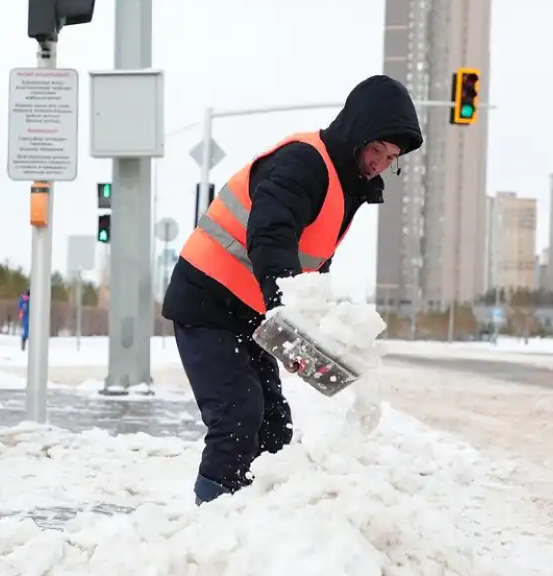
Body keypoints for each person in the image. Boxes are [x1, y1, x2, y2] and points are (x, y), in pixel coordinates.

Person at [162, 75, 423, 504]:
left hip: (248, 313)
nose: (380, 163)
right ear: (356, 132)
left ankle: (264, 522)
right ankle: (210, 525)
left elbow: (309, 271)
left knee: (274, 426)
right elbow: (270, 236)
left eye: (390, 158)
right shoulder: (305, 162)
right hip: (207, 302)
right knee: (238, 417)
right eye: (377, 149)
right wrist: (288, 317)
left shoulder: (345, 186)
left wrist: (310, 338)